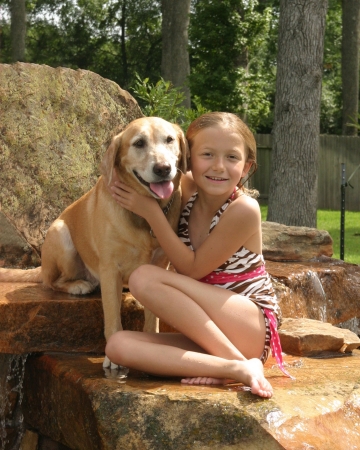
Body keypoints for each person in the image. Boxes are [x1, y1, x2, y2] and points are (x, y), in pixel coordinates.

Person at [105, 112, 291, 398]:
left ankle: (240, 362)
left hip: (249, 324)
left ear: (246, 167)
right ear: (188, 158)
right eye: (207, 155)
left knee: (143, 277)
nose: (218, 167)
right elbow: (134, 169)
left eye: (231, 157)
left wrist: (151, 213)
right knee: (118, 346)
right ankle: (230, 369)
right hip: (208, 330)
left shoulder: (243, 209)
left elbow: (192, 270)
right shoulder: (186, 187)